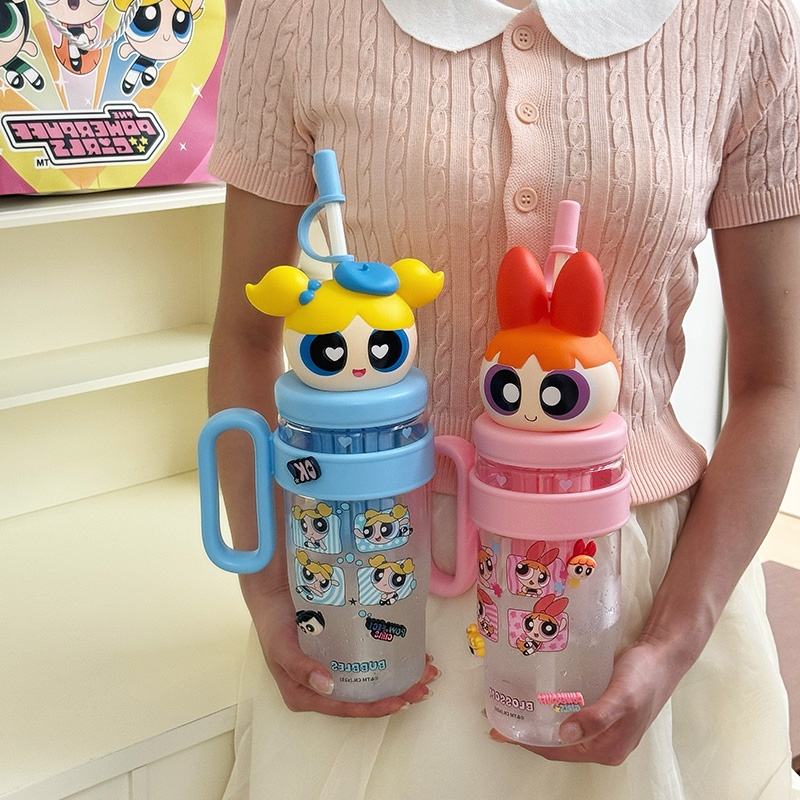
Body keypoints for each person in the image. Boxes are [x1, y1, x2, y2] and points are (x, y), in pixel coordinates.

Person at [206, 0, 800, 797]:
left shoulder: (743, 20)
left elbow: (775, 382)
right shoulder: (295, 16)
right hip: (367, 588)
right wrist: (270, 590)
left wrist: (672, 641)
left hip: (633, 590)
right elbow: (246, 338)